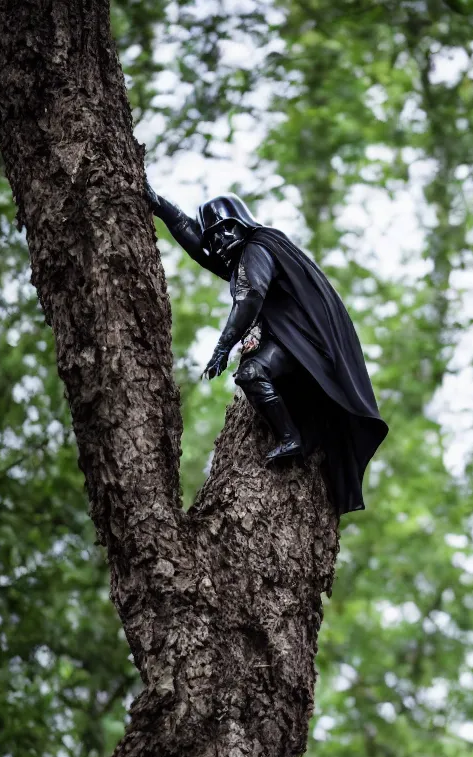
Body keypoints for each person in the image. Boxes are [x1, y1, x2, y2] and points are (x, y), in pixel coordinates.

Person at [147, 187, 388, 514]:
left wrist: (221, 349)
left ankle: (291, 439)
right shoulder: (246, 254)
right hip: (294, 342)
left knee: (251, 372)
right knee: (251, 372)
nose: (218, 242)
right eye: (213, 237)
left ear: (241, 225)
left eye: (223, 231)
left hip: (304, 343)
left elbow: (250, 297)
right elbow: (198, 246)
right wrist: (161, 206)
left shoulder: (258, 247)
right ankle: (292, 436)